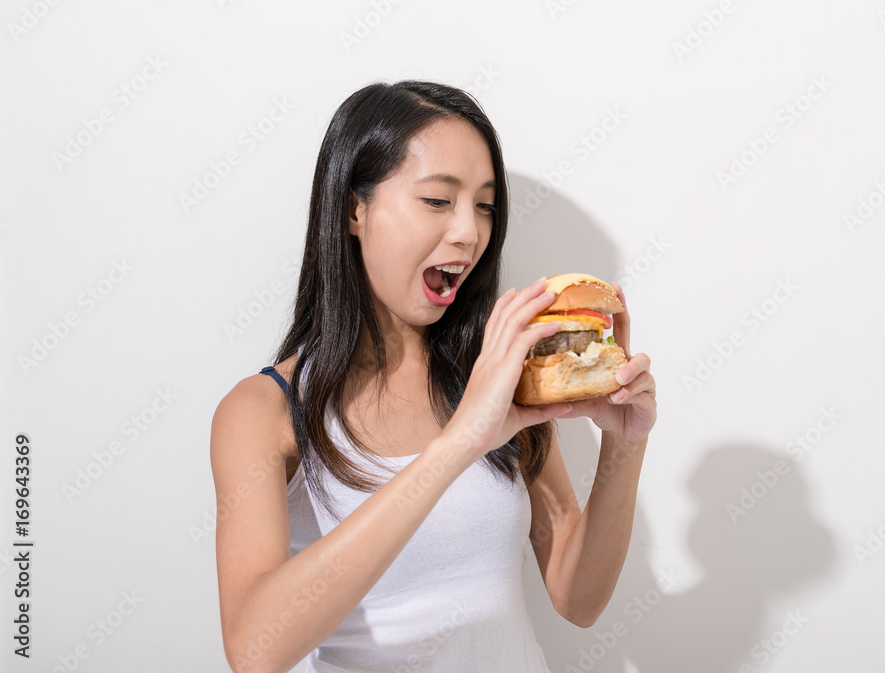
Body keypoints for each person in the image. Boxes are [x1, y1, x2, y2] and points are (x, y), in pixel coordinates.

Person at [210, 80, 657, 673]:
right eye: (438, 201)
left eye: (485, 206)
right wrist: (459, 443)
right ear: (353, 209)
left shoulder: (502, 373)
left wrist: (625, 445)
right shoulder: (264, 410)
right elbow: (254, 649)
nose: (469, 233)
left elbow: (577, 598)